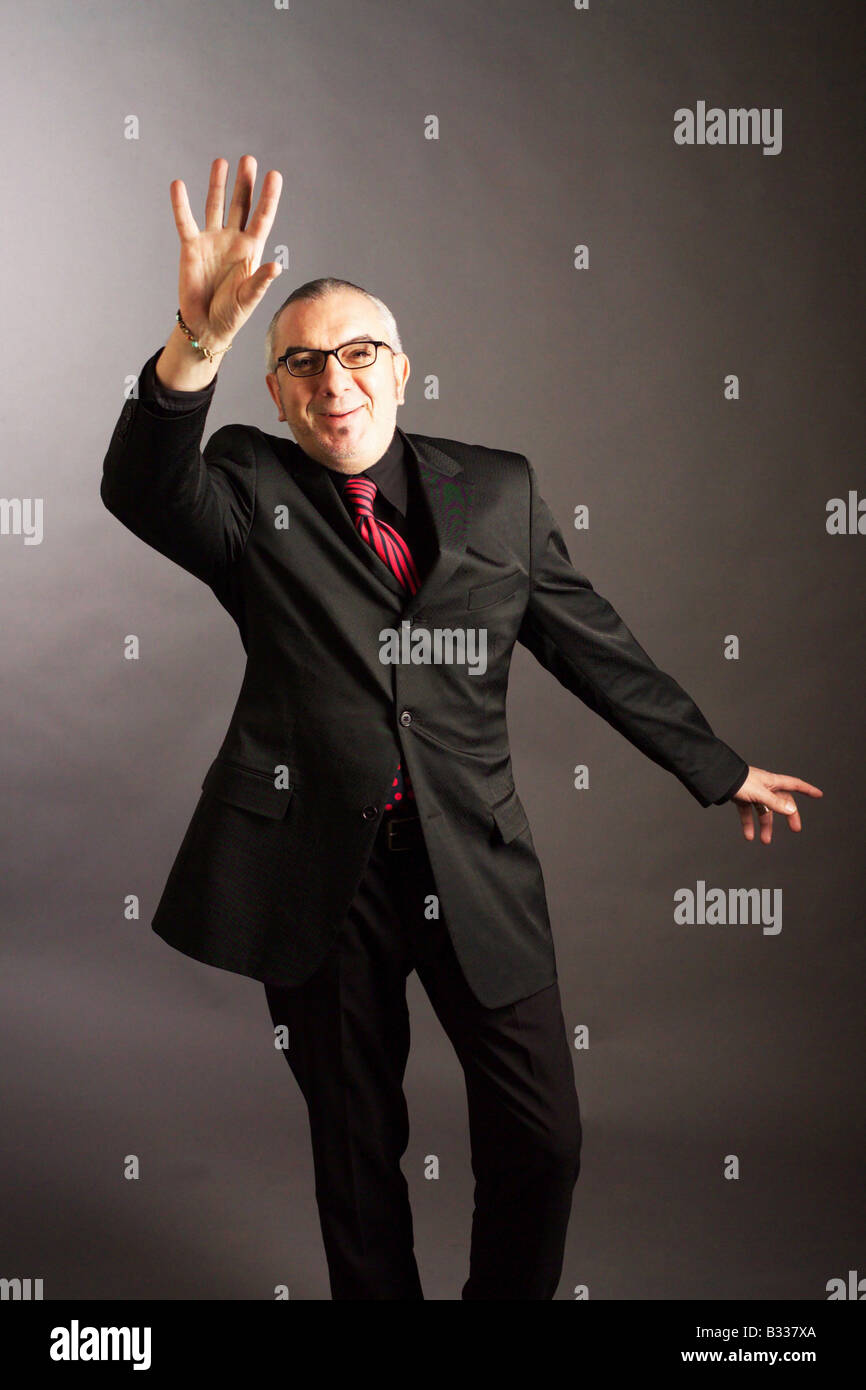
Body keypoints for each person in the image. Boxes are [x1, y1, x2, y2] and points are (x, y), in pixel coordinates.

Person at [100, 154, 823, 1300]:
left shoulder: (498, 492)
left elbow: (593, 645)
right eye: (299, 363)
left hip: (472, 861)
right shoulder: (246, 485)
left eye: (357, 354)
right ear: (277, 395)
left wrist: (717, 766)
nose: (332, 381)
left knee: (542, 1142)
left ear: (401, 371)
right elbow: (143, 487)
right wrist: (195, 339)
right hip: (316, 875)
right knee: (356, 1156)